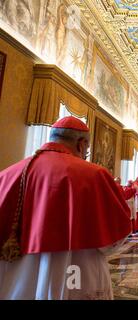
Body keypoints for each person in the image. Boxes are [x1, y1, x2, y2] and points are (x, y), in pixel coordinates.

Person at [0, 116, 131, 299]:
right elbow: (114, 236)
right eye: (87, 148)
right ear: (81, 144)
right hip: (76, 269)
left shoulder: (7, 174)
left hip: (16, 272)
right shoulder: (94, 174)